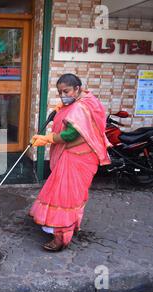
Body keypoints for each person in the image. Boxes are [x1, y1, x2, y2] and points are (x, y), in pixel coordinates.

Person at [29, 74, 112, 252]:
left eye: (66, 91)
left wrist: (47, 138)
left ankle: (61, 237)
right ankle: (60, 225)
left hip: (77, 157)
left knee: (64, 196)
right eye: (60, 92)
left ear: (77, 89)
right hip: (77, 155)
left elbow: (70, 135)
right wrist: (62, 110)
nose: (62, 95)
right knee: (64, 193)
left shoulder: (80, 108)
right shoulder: (87, 100)